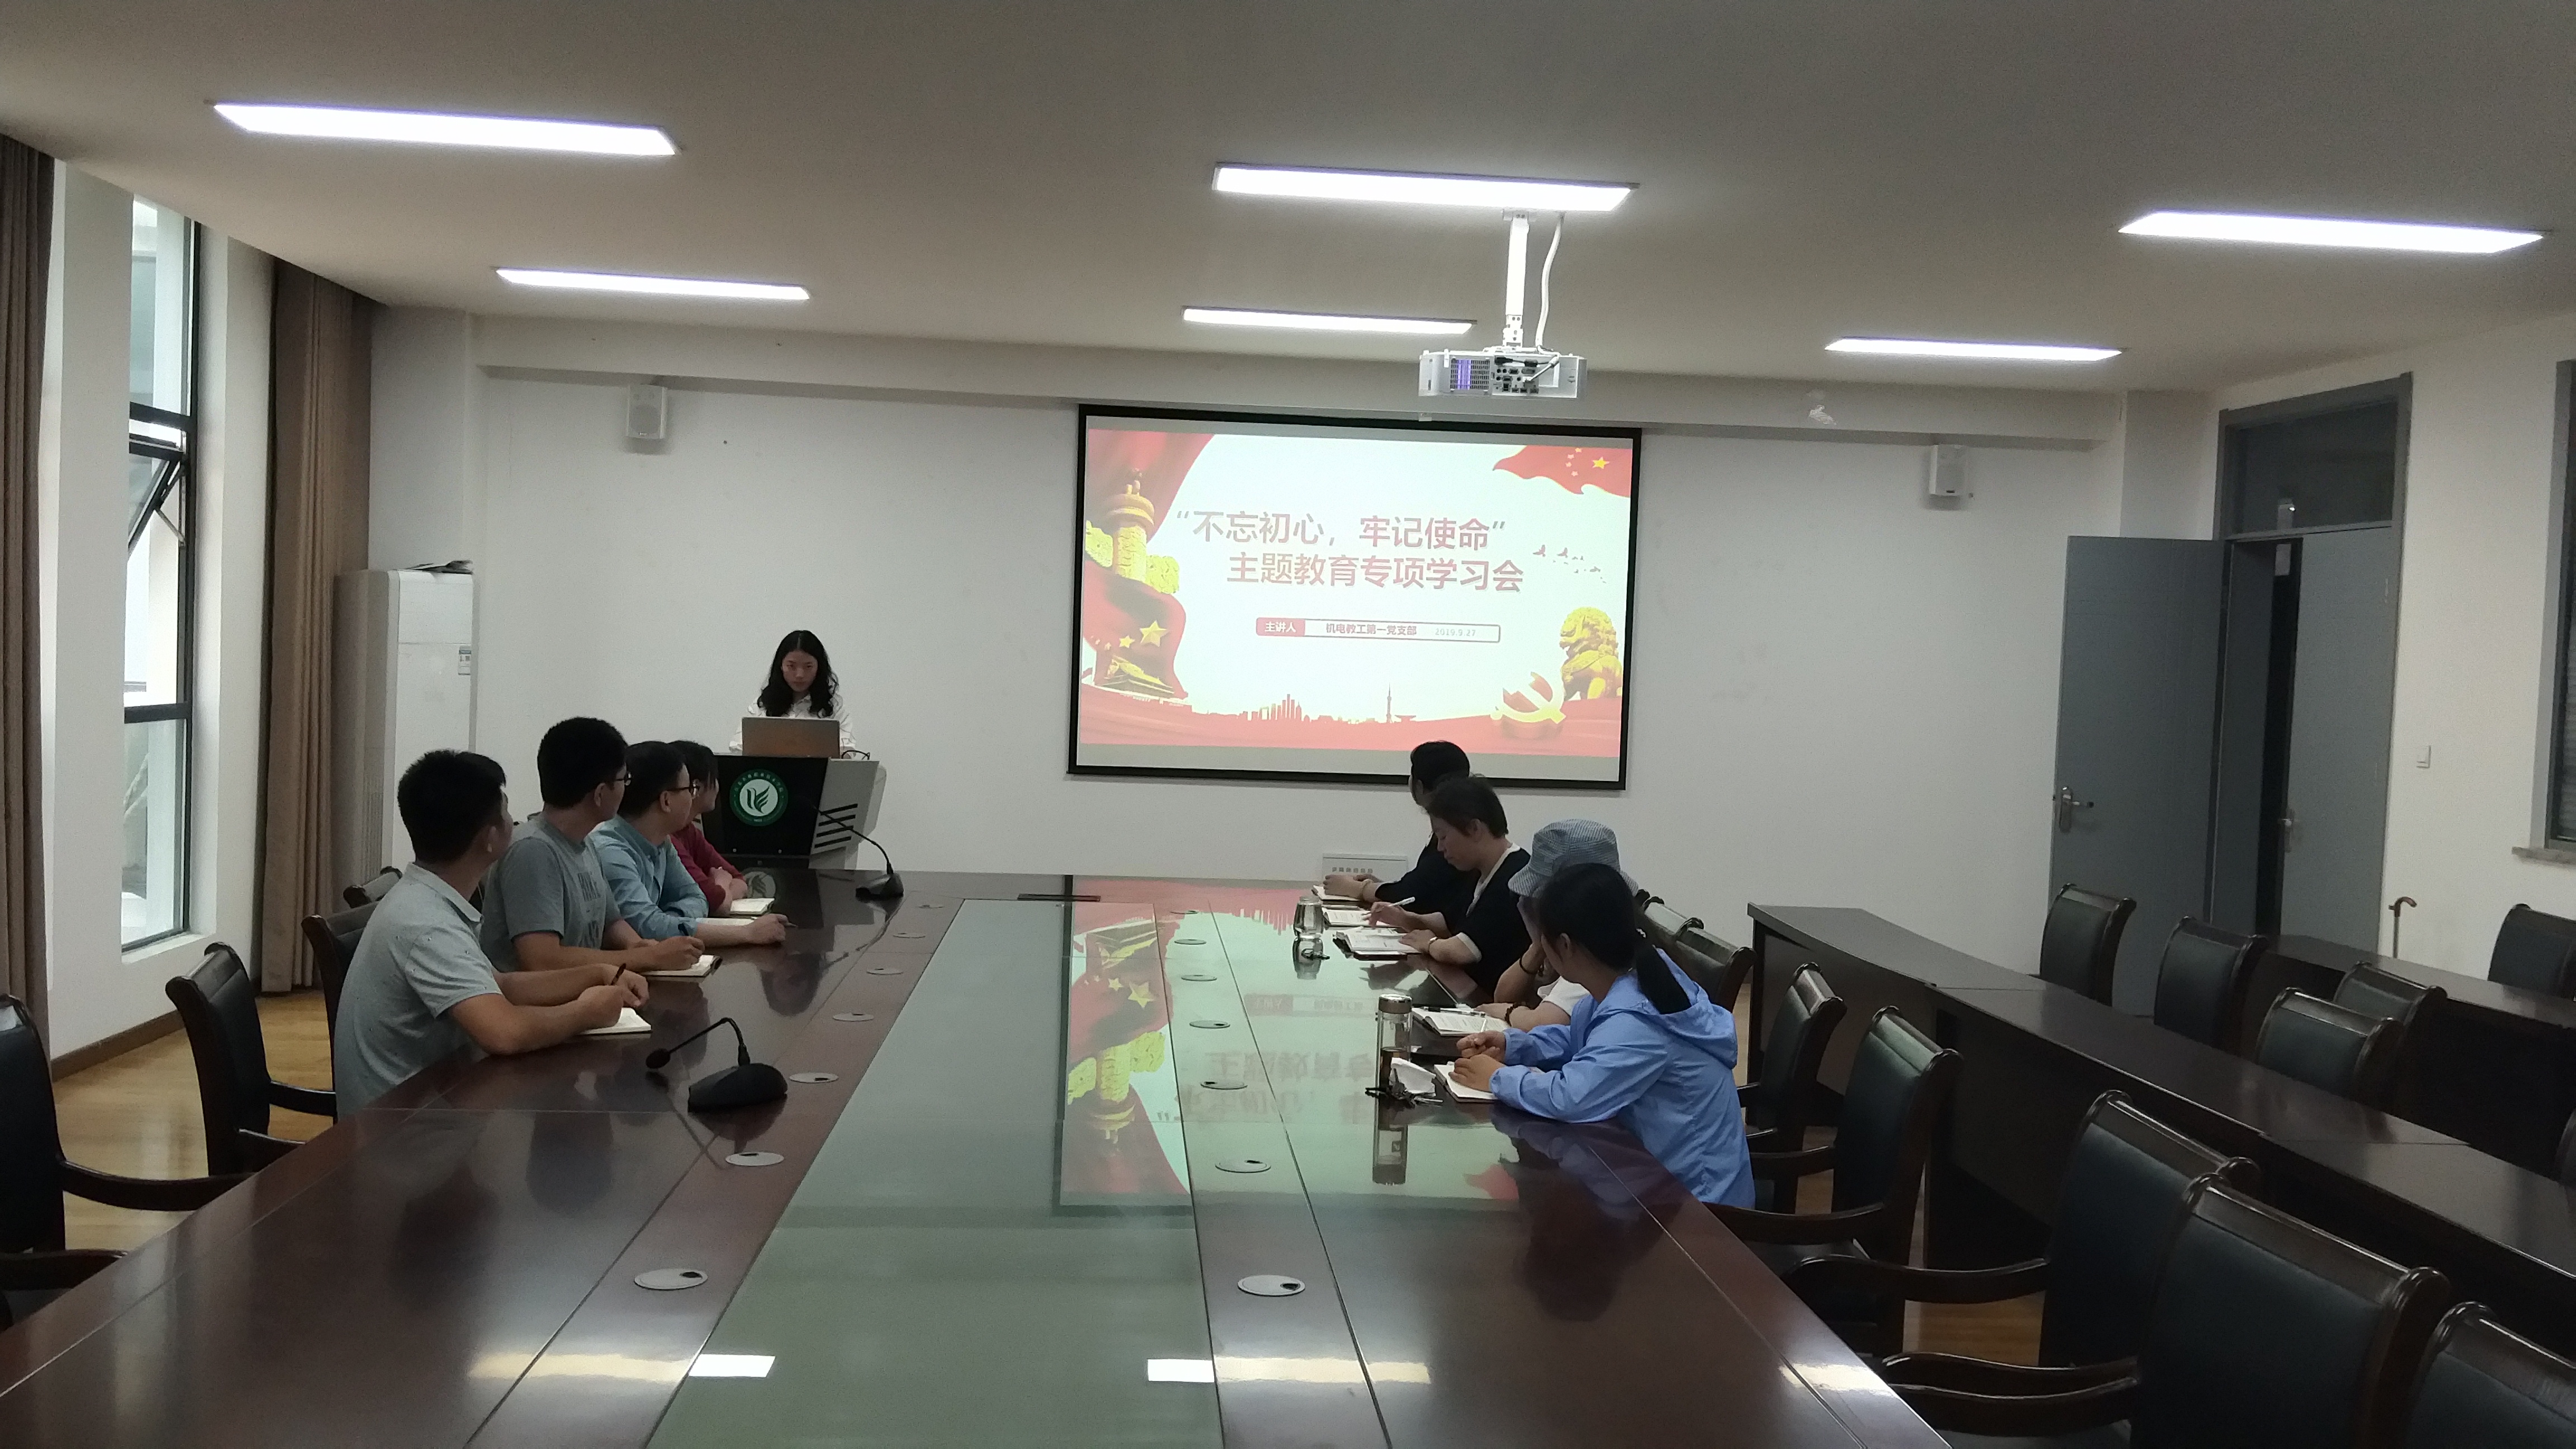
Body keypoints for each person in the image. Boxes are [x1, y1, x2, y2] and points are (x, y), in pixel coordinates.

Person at [333, 750, 651, 1110]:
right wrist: (587, 1012)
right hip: (402, 1128)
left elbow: (500, 985)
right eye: (506, 811)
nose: (513, 821)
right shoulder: (427, 924)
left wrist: (599, 974)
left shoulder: (427, 898)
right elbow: (504, 1032)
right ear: (489, 837)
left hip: (435, 1098)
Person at [1450, 862, 1753, 1208]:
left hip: (1700, 1208)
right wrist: (1514, 1045)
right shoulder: (1633, 978)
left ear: (1565, 945)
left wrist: (1497, 1078)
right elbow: (1582, 1042)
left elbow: (1572, 1098)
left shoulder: (1637, 1018)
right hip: (1654, 1178)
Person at [478, 717, 703, 974]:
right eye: (624, 780)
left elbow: (611, 923)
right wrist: (648, 957)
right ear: (600, 794)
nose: (627, 789)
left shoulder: (585, 843)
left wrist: (637, 945)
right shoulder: (533, 850)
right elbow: (542, 961)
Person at [593, 740, 789, 947]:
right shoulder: (611, 852)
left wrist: (669, 921)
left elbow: (697, 898)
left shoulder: (662, 841)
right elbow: (648, 928)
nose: (692, 797)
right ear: (666, 801)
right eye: (690, 789)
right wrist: (746, 934)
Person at [1481, 820, 1635, 1031]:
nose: (1527, 904)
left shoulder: (1596, 954)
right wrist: (1539, 946)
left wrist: (1505, 1011)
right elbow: (1503, 995)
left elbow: (1540, 1023)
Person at [1382, 775, 1530, 993]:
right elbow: (1449, 921)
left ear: (1474, 829)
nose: (1440, 848)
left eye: (1443, 837)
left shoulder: (1515, 876)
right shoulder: (1478, 869)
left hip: (1488, 997)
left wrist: (1430, 943)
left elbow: (1461, 950)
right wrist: (1406, 918)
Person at [1327, 741, 1471, 930]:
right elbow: (1425, 887)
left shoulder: (1457, 836)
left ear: (1418, 786)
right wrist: (1381, 887)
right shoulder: (1460, 824)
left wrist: (1357, 889)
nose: (1441, 846)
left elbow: (1413, 895)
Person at [730, 628, 854, 754]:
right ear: (781, 666)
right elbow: (738, 749)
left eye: (808, 667)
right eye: (792, 666)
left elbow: (847, 752)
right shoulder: (761, 706)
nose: (800, 675)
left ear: (819, 667)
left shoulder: (834, 707)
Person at [669, 739, 750, 912]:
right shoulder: (668, 838)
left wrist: (721, 891)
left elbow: (739, 880)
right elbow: (719, 905)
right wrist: (722, 881)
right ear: (696, 787)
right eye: (714, 779)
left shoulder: (688, 830)